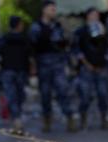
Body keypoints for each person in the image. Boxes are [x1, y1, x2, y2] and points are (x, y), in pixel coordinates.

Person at [29, 0, 75, 132]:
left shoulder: (58, 26)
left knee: (63, 92)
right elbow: (32, 48)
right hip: (43, 64)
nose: (54, 12)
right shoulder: (36, 27)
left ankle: (70, 118)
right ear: (44, 10)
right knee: (45, 95)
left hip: (58, 64)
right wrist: (33, 66)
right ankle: (47, 121)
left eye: (55, 9)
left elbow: (67, 42)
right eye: (51, 9)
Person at [73, 7, 108, 130]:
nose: (95, 17)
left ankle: (104, 119)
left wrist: (104, 35)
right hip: (86, 69)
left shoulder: (103, 30)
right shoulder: (81, 32)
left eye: (97, 15)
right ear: (88, 16)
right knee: (85, 95)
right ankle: (83, 119)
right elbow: (76, 50)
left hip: (102, 68)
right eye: (93, 15)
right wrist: (86, 64)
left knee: (103, 94)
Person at [0, 15, 32, 135]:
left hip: (11, 71)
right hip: (17, 71)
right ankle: (17, 119)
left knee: (14, 96)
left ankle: (16, 119)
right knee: (17, 96)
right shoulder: (23, 39)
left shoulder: (5, 39)